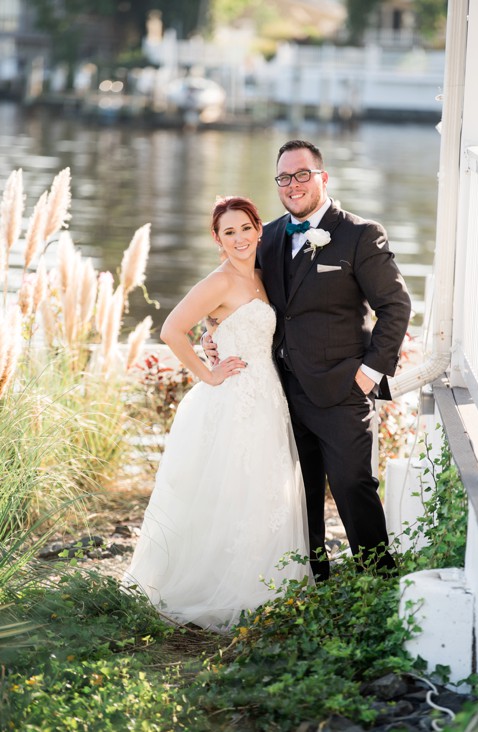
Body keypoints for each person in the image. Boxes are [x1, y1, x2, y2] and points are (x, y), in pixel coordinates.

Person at [208, 140, 412, 582]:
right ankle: (313, 576)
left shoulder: (361, 234)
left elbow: (395, 307)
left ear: (323, 177)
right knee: (297, 493)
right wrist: (214, 338)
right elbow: (241, 298)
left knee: (354, 486)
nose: (293, 184)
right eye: (284, 177)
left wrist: (369, 374)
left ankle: (379, 580)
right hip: (279, 389)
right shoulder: (271, 236)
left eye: (302, 174)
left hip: (342, 389)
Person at [124, 196, 312, 632]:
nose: (240, 238)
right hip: (232, 399)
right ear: (217, 239)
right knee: (230, 489)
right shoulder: (219, 281)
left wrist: (213, 331)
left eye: (245, 228)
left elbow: (232, 325)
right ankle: (220, 586)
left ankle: (265, 583)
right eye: (229, 232)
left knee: (263, 489)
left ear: (259, 229)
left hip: (268, 396)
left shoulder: (264, 278)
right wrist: (208, 374)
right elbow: (171, 329)